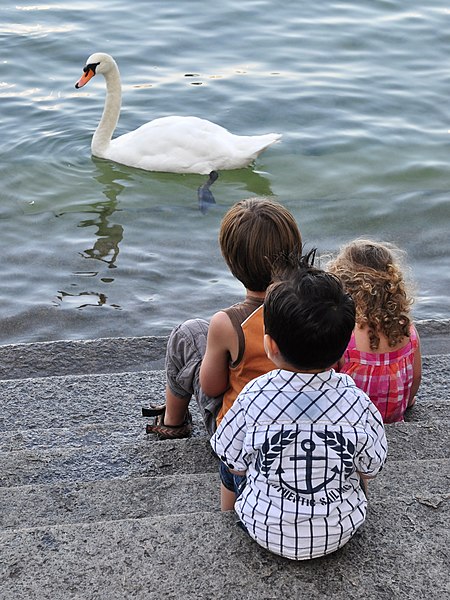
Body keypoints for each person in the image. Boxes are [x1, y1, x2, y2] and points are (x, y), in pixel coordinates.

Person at [210, 253, 387, 561]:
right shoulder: (358, 400)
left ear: (271, 346)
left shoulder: (252, 395)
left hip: (263, 528)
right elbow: (371, 465)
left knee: (230, 460)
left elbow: (234, 462)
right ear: (342, 348)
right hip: (341, 531)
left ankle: (229, 515)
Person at [143, 198, 303, 438]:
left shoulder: (228, 323)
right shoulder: (315, 308)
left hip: (240, 437)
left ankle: (172, 423)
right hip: (305, 419)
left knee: (187, 334)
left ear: (231, 262)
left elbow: (211, 387)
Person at [328, 239, 421, 423]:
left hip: (351, 423)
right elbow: (416, 376)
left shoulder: (345, 334)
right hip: (393, 418)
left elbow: (328, 382)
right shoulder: (407, 329)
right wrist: (408, 402)